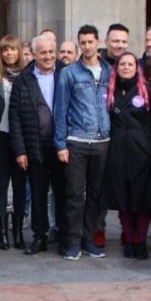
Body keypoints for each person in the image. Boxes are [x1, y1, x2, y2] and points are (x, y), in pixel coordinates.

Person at [54, 25, 113, 261]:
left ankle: (90, 238)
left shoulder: (109, 70)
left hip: (102, 140)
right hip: (77, 139)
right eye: (83, 42)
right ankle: (73, 240)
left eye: (90, 42)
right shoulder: (70, 73)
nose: (87, 46)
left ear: (98, 42)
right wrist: (61, 144)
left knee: (96, 194)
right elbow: (61, 109)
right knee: (75, 195)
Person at [8, 34, 66, 256]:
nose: (48, 56)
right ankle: (40, 236)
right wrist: (20, 150)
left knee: (62, 192)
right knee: (39, 194)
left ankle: (62, 234)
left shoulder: (65, 73)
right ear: (33, 54)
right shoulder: (24, 79)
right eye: (43, 52)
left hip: (61, 146)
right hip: (35, 146)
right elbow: (14, 116)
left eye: (51, 51)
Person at [104, 53, 151, 259]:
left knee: (142, 198)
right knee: (124, 198)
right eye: (122, 64)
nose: (126, 67)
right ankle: (129, 239)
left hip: (142, 152)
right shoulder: (111, 91)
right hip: (118, 151)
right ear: (116, 68)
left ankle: (140, 240)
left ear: (136, 68)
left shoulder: (149, 91)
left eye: (130, 64)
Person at [0, 35, 26, 250]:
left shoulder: (28, 76)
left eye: (13, 49)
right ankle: (2, 234)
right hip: (0, 136)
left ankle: (19, 232)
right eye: (5, 50)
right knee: (0, 185)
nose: (9, 53)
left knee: (20, 186)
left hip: (21, 138)